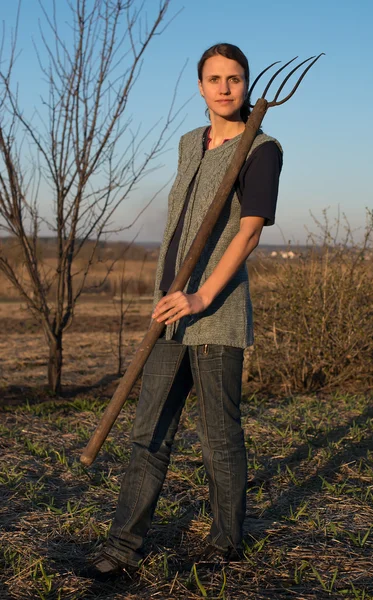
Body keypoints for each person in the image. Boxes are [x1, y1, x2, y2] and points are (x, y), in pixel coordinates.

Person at [85, 42, 282, 580]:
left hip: (214, 315)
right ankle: (123, 545)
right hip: (168, 311)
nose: (224, 87)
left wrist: (202, 296)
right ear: (200, 86)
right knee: (148, 430)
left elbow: (249, 233)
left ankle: (225, 545)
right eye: (214, 78)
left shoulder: (262, 148)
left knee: (219, 437)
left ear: (246, 85)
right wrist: (175, 298)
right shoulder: (188, 143)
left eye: (234, 78)